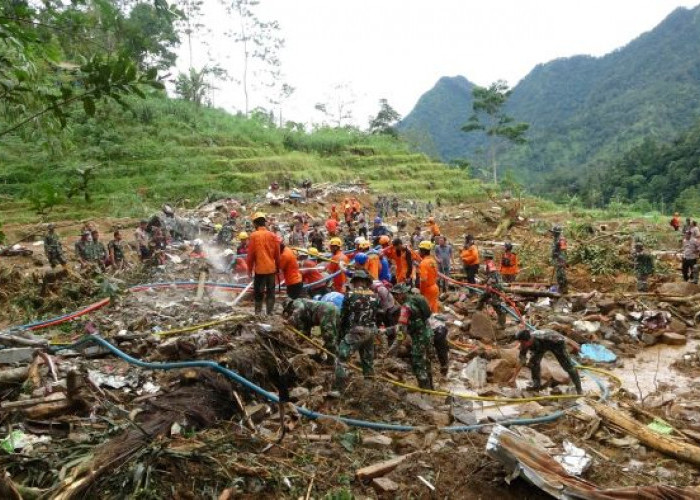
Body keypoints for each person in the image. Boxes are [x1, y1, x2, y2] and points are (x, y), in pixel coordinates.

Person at [389, 283, 447, 387]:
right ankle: (431, 389)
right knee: (427, 362)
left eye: (396, 295)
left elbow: (402, 331)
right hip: (428, 334)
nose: (395, 298)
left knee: (418, 364)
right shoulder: (415, 300)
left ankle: (425, 392)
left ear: (401, 294)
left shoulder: (405, 308)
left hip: (419, 338)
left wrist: (393, 348)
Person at [335, 270, 379, 388]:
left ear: (354, 282)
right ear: (366, 282)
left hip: (356, 331)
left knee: (342, 358)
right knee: (367, 362)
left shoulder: (350, 294)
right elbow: (375, 315)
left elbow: (343, 317)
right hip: (370, 331)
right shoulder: (375, 296)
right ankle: (370, 390)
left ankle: (338, 389)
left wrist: (340, 336)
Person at [511, 329, 583, 394]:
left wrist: (574, 344)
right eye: (520, 342)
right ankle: (536, 385)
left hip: (556, 344)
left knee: (568, 366)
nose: (522, 344)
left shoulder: (545, 335)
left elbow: (564, 338)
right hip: (539, 348)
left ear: (530, 339)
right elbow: (521, 360)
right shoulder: (524, 345)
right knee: (533, 363)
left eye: (523, 342)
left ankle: (579, 388)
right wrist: (514, 377)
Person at [246, 212, 281, 316]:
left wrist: (249, 270)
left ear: (255, 224)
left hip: (260, 270)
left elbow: (250, 256)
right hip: (271, 269)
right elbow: (277, 254)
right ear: (264, 223)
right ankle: (269, 313)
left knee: (258, 293)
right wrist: (278, 268)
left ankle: (258, 313)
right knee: (271, 293)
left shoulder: (254, 236)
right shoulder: (273, 235)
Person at [476, 250, 507, 329]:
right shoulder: (488, 264)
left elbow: (493, 278)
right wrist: (483, 282)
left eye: (484, 257)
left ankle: (502, 324)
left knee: (496, 304)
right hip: (491, 286)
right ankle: (477, 313)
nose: (483, 258)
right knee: (482, 297)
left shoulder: (491, 265)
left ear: (486, 257)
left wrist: (489, 286)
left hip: (495, 287)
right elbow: (489, 277)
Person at [418, 240, 439, 313]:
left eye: (420, 250)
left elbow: (423, 280)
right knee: (434, 308)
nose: (418, 252)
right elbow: (436, 274)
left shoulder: (423, 263)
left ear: (423, 252)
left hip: (428, 290)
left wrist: (421, 291)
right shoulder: (433, 261)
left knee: (427, 310)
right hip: (435, 287)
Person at [550, 225, 568, 294]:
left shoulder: (561, 239)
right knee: (558, 274)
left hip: (561, 259)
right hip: (557, 259)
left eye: (553, 232)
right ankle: (561, 287)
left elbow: (563, 250)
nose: (552, 233)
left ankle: (563, 288)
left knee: (561, 274)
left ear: (557, 232)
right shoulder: (555, 239)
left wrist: (560, 258)